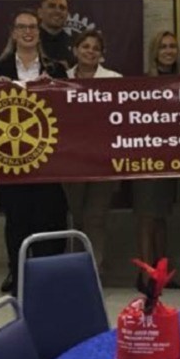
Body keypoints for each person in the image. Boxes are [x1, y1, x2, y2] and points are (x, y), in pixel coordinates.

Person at [0, 9, 69, 293]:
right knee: (17, 219)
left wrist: (54, 88)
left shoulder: (56, 70)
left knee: (50, 215)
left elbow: (69, 111)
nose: (28, 32)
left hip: (48, 159)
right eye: (22, 27)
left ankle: (48, 277)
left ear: (39, 32)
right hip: (13, 158)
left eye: (33, 27)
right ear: (13, 33)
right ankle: (18, 273)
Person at [62, 29, 122, 275]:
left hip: (102, 160)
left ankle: (93, 271)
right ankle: (75, 270)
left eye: (96, 48)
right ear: (75, 50)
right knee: (76, 217)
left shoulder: (115, 79)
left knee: (96, 217)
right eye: (85, 46)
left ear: (102, 54)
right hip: (70, 160)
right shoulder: (61, 78)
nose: (90, 51)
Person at [134, 31, 180, 279]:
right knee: (147, 217)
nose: (168, 51)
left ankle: (162, 273)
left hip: (171, 158)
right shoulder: (143, 83)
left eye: (172, 46)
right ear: (154, 51)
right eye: (163, 46)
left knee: (162, 216)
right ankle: (145, 275)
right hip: (146, 157)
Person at [36, 0, 75, 67]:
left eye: (62, 8)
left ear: (67, 14)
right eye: (52, 6)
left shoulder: (74, 44)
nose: (57, 11)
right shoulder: (29, 42)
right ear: (40, 13)